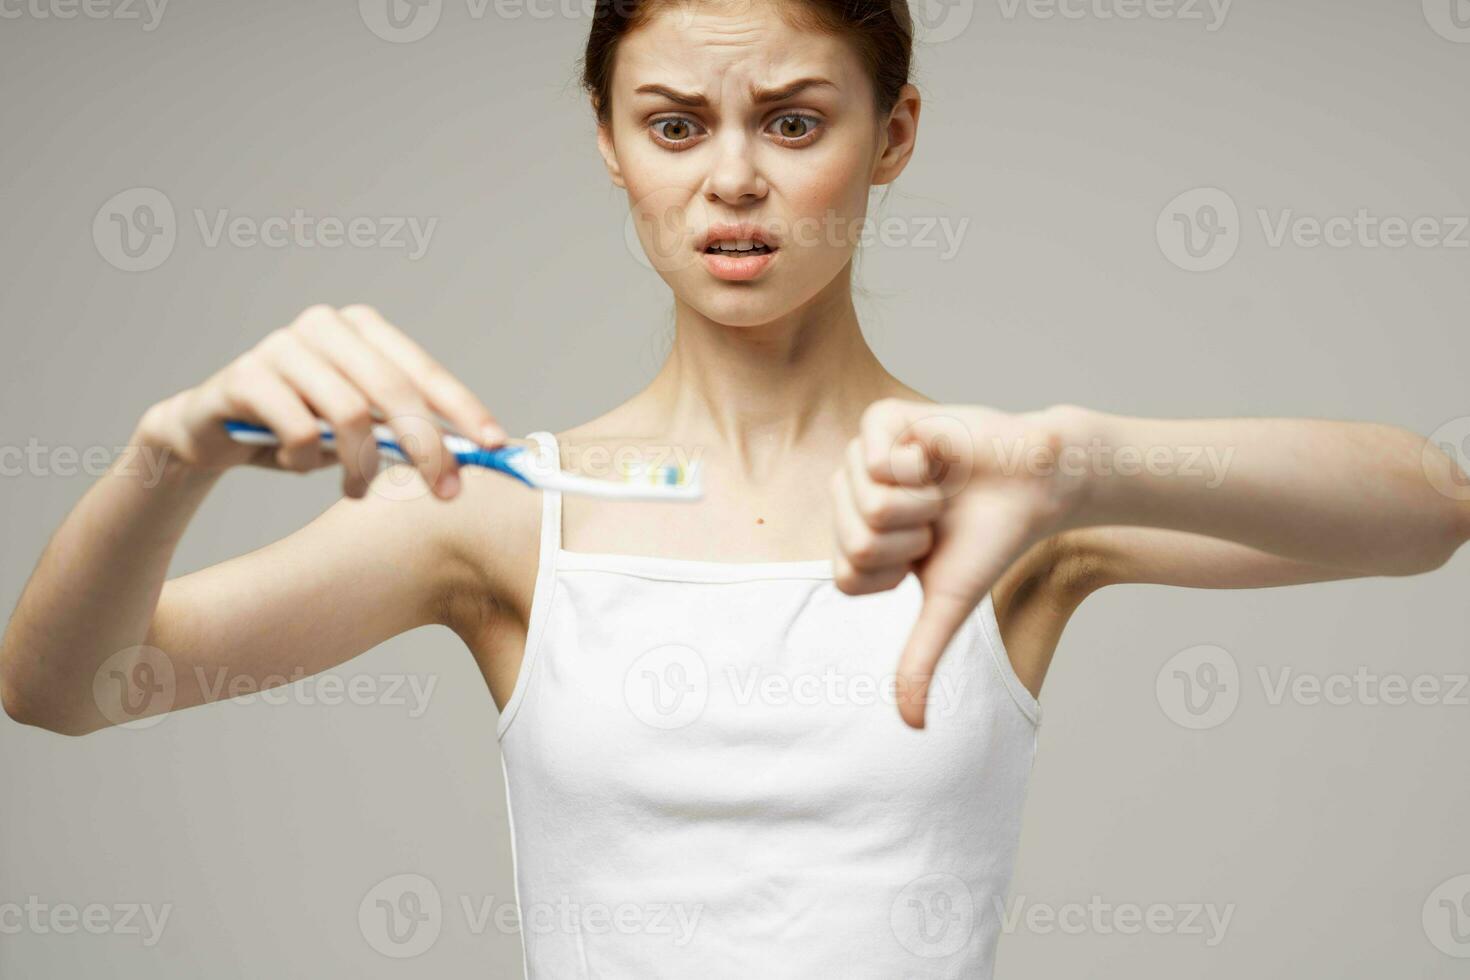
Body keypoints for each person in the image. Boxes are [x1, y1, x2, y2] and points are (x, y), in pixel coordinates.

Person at [2, 1, 1465, 976]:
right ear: (609, 144)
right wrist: (168, 451)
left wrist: (1075, 459)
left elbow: (1426, 509)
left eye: (793, 119)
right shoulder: (505, 505)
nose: (732, 184)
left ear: (891, 136)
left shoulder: (1006, 495)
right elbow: (68, 689)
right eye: (676, 125)